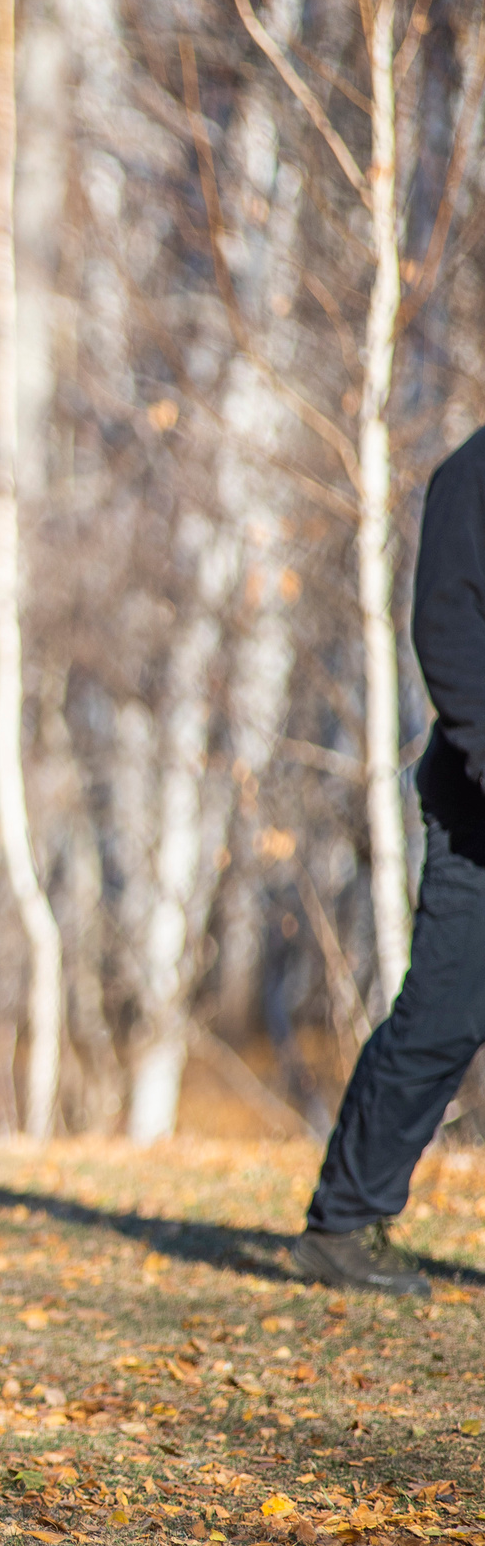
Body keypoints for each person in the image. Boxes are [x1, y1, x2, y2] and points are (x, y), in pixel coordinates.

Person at [295, 430, 485, 1296]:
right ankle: (342, 1226)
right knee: (447, 1013)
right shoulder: (471, 477)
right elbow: (447, 631)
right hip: (477, 805)